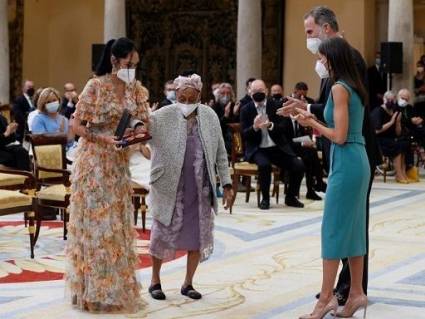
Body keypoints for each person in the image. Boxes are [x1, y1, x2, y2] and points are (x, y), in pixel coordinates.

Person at [277, 6, 380, 305]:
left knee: (344, 225)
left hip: (351, 150)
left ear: (325, 29)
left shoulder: (348, 62)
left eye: (310, 32)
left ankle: (344, 290)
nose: (308, 40)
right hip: (348, 150)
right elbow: (336, 109)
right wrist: (304, 109)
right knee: (350, 223)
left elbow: (342, 117)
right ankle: (349, 289)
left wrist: (307, 115)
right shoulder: (337, 70)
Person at [66, 37, 149, 313]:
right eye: (129, 63)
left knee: (116, 226)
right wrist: (103, 141)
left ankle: (114, 290)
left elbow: (138, 118)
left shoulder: (134, 89)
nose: (132, 68)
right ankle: (90, 293)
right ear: (115, 60)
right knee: (97, 227)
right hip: (93, 164)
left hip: (117, 164)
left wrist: (138, 133)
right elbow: (76, 126)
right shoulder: (96, 86)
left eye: (135, 64)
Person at [295, 37, 370, 319]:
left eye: (324, 58)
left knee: (333, 230)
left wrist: (312, 123)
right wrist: (311, 116)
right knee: (353, 229)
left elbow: (338, 136)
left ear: (334, 59)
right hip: (357, 157)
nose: (321, 62)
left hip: (346, 159)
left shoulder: (339, 88)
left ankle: (326, 299)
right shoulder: (355, 86)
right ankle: (356, 293)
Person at [144, 73, 233, 301]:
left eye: (189, 98)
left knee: (196, 237)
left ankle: (188, 283)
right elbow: (142, 133)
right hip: (168, 186)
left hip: (199, 188)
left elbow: (221, 153)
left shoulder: (210, 116)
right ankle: (155, 281)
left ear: (199, 96)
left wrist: (227, 183)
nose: (184, 103)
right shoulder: (163, 115)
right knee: (161, 233)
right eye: (180, 98)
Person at [240, 79, 305, 210]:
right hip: (258, 149)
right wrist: (255, 127)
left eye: (261, 91)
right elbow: (245, 134)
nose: (258, 93)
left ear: (266, 91)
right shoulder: (246, 109)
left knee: (299, 165)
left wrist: (270, 125)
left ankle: (291, 197)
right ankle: (265, 199)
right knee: (264, 166)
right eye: (255, 91)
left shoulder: (275, 105)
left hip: (276, 147)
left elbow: (285, 127)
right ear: (250, 92)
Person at [281, 115, 325, 199]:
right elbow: (285, 142)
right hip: (287, 151)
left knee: (311, 153)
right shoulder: (284, 120)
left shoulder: (299, 120)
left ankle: (314, 187)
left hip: (298, 149)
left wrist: (309, 141)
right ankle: (318, 184)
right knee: (309, 158)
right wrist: (303, 143)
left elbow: (302, 136)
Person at [371, 91, 410, 183]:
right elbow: (376, 131)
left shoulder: (395, 111)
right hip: (379, 140)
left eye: (392, 100)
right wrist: (391, 122)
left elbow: (398, 133)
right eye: (389, 100)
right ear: (384, 99)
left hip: (391, 139)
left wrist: (397, 123)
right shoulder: (378, 111)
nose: (391, 102)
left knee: (404, 144)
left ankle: (403, 172)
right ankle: (399, 174)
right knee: (398, 146)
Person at [211, 82, 240, 153]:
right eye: (223, 93)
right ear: (218, 94)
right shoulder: (215, 107)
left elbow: (238, 125)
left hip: (233, 136)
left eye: (228, 93)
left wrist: (235, 114)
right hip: (220, 137)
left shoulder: (234, 105)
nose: (225, 95)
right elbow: (216, 128)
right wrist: (225, 116)